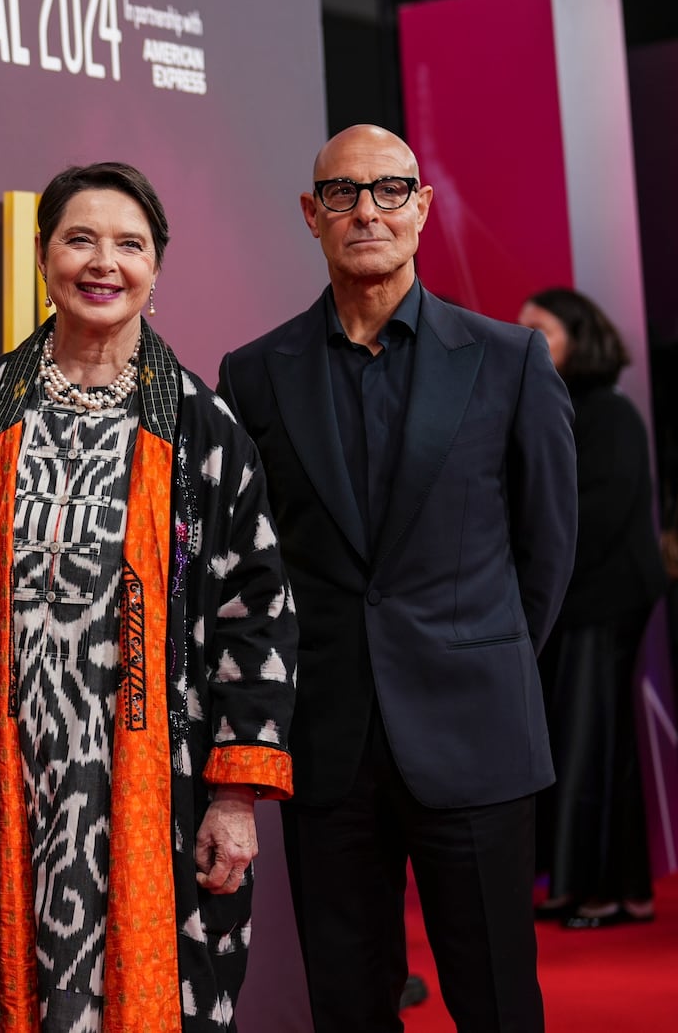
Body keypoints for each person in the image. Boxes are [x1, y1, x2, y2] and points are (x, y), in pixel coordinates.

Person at [0, 162, 298, 1033]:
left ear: (156, 271)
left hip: (156, 781)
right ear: (45, 255)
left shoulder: (206, 428)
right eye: (79, 238)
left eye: (129, 244)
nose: (103, 262)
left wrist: (236, 797)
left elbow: (258, 613)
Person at [216, 124, 577, 1032]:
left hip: (476, 734)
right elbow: (253, 566)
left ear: (421, 207)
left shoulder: (509, 360)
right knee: (348, 1002)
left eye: (388, 189)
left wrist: (479, 656)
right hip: (329, 743)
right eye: (341, 193)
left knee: (497, 998)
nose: (365, 209)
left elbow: (548, 550)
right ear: (311, 214)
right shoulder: (255, 375)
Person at [519, 288, 666, 929]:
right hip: (584, 602)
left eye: (540, 330)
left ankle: (590, 891)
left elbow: (592, 519)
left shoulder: (605, 412)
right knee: (601, 743)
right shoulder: (569, 407)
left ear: (579, 337)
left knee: (586, 741)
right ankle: (618, 890)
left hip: (601, 602)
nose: (525, 340)